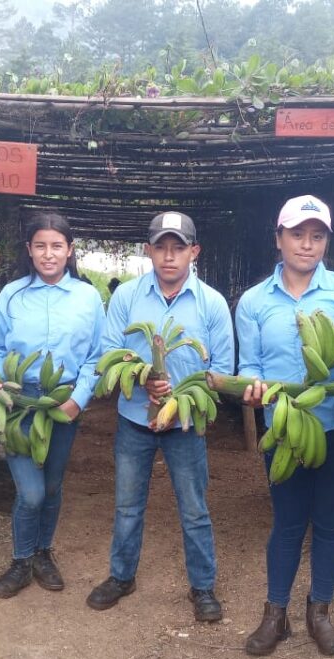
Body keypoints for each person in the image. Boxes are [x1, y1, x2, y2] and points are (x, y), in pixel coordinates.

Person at [234, 195, 334, 658]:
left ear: (326, 241)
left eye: (317, 236)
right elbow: (250, 364)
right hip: (286, 430)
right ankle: (276, 614)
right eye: (297, 234)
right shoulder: (254, 301)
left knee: (331, 525)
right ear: (278, 238)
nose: (307, 244)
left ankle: (320, 611)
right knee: (288, 525)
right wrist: (252, 389)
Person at [85, 212, 234, 622]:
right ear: (149, 250)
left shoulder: (213, 304)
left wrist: (180, 400)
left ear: (193, 251)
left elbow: (221, 370)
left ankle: (203, 587)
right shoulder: (127, 297)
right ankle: (121, 576)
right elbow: (109, 353)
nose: (169, 256)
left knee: (194, 509)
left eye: (179, 247)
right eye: (161, 247)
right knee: (128, 505)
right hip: (134, 419)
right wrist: (141, 377)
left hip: (185, 423)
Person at [0, 213, 105, 599]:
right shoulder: (12, 295)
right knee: (31, 492)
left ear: (70, 251)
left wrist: (78, 399)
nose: (48, 254)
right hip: (19, 401)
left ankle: (43, 554)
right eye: (40, 246)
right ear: (29, 250)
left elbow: (97, 357)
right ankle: (20, 561)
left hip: (62, 402)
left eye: (57, 246)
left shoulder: (88, 298)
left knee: (52, 486)